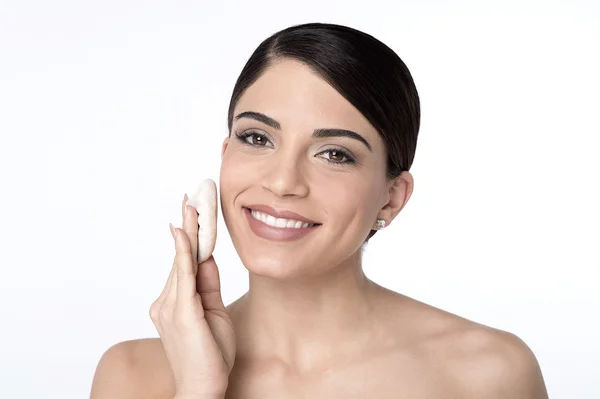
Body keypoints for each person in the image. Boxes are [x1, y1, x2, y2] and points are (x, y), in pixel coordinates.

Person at [90, 22, 548, 398]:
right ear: (225, 152)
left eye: (335, 154)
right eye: (258, 138)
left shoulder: (487, 376)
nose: (283, 181)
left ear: (392, 197)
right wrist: (199, 389)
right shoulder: (133, 377)